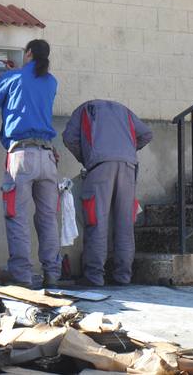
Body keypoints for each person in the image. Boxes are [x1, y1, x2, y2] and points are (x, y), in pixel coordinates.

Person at [0, 39, 60, 289]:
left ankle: (22, 277)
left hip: (21, 157)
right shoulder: (51, 81)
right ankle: (52, 274)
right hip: (48, 157)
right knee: (48, 219)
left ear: (29, 53)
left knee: (17, 217)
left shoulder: (11, 79)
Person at [61, 98, 152, 287]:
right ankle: (123, 276)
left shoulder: (85, 108)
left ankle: (94, 277)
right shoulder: (124, 110)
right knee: (125, 223)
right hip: (128, 166)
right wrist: (127, 150)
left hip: (100, 167)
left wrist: (86, 158)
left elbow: (69, 138)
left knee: (96, 221)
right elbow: (146, 134)